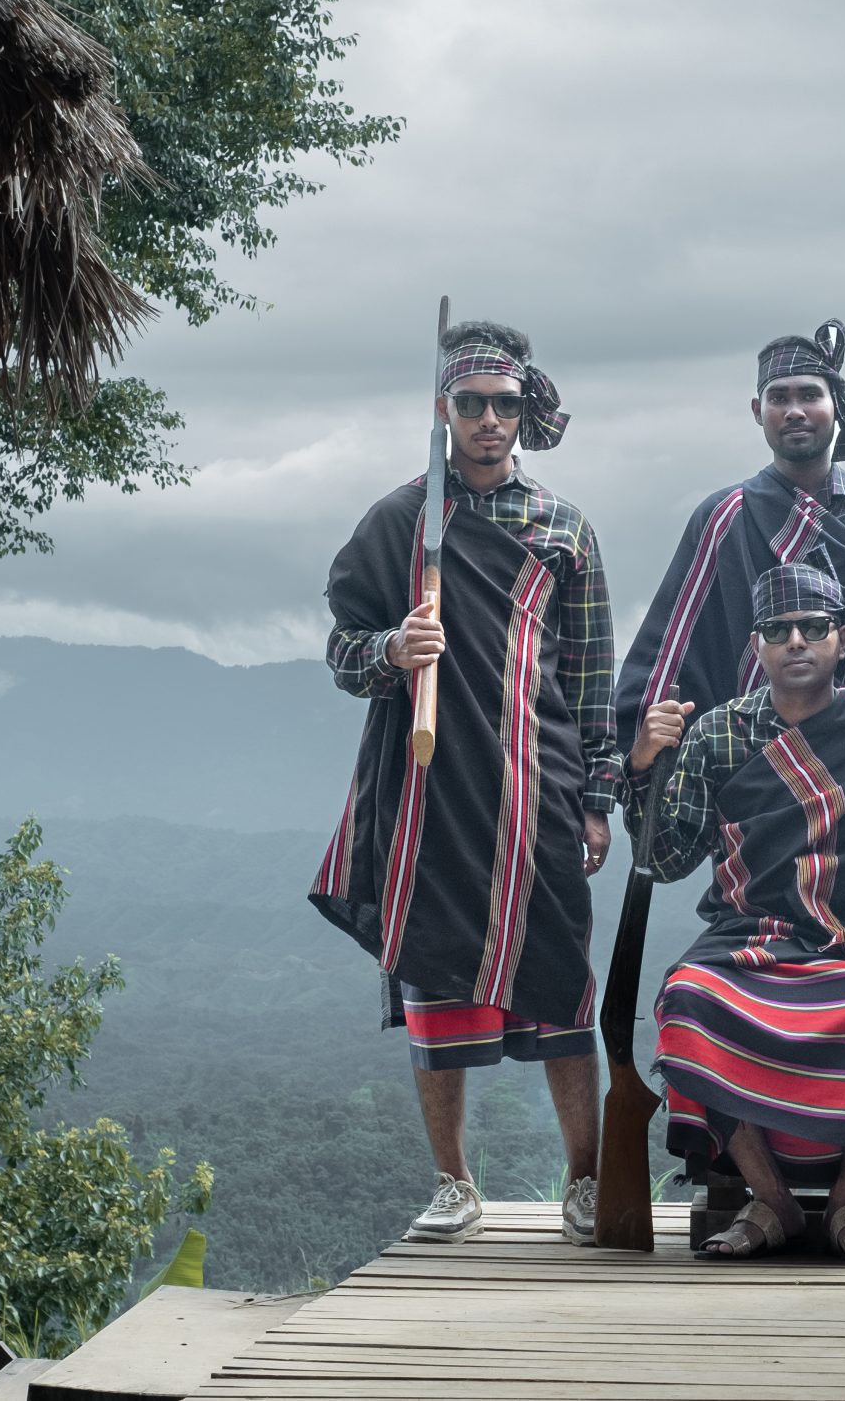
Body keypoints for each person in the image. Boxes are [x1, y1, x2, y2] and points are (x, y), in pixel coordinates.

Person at [311, 319, 621, 1247]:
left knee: (562, 984)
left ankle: (584, 1178)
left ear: (525, 413)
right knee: (432, 978)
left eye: (505, 405)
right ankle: (453, 1182)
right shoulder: (400, 521)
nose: (491, 420)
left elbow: (592, 674)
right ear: (443, 409)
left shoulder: (562, 527)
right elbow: (340, 648)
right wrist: (391, 650)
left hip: (537, 786)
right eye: (473, 403)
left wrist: (597, 797)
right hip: (426, 788)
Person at [628, 563, 845, 1264]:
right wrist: (643, 764)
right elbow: (663, 858)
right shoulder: (720, 732)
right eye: (778, 630)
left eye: (814, 627)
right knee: (686, 998)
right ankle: (770, 1197)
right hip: (750, 939)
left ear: (842, 639)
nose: (797, 642)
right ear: (758, 645)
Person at [616, 320, 845, 750]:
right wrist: (642, 735)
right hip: (745, 756)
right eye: (780, 398)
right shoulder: (725, 516)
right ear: (758, 411)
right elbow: (673, 644)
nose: (795, 410)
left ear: (838, 405)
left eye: (810, 395)